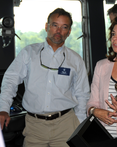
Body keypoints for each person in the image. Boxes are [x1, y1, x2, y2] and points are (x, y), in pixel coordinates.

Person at [0, 8, 90, 147]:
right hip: (34, 126)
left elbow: (82, 95)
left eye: (64, 27)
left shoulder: (76, 60)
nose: (58, 30)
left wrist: (80, 126)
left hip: (65, 124)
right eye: (55, 25)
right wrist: (3, 109)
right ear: (47, 26)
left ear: (69, 32)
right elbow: (10, 80)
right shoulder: (29, 53)